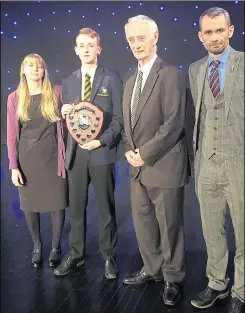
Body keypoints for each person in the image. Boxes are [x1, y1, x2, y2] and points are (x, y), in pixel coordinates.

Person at [122, 15, 190, 306]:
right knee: (144, 222)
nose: (136, 44)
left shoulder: (170, 74)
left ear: (155, 37)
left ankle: (173, 277)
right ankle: (152, 269)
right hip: (138, 168)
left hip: (164, 164)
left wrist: (144, 153)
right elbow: (128, 126)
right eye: (131, 40)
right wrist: (128, 149)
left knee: (169, 224)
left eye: (141, 38)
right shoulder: (129, 82)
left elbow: (174, 124)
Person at [54, 28, 123, 279]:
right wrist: (64, 113)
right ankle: (77, 255)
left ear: (99, 49)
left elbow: (119, 118)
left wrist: (102, 141)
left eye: (90, 45)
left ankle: (108, 257)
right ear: (75, 49)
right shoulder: (69, 80)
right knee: (76, 209)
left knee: (106, 208)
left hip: (101, 152)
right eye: (81, 45)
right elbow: (70, 120)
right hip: (76, 155)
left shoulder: (111, 78)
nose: (85, 49)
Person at [189, 7, 244, 313]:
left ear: (230, 31)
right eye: (208, 32)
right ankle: (217, 284)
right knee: (211, 230)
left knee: (244, 230)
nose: (214, 37)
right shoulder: (196, 69)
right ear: (201, 36)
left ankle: (241, 291)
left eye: (219, 30)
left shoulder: (244, 62)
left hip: (239, 161)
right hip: (206, 162)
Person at [6, 53, 68, 268]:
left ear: (44, 71)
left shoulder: (57, 92)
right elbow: (12, 136)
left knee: (57, 203)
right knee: (30, 204)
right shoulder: (15, 98)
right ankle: (37, 246)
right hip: (28, 159)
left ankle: (55, 247)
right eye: (30, 66)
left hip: (53, 157)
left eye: (39, 66)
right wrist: (14, 166)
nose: (35, 69)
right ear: (23, 70)